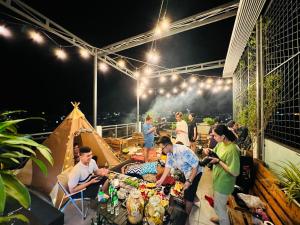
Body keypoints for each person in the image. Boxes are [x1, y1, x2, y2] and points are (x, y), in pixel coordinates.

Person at [156, 136, 203, 219]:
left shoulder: (182, 150)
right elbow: (168, 167)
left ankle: (185, 217)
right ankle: (191, 199)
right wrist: (161, 180)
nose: (161, 150)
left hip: (195, 173)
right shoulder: (170, 153)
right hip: (186, 172)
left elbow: (195, 166)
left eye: (162, 148)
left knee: (189, 195)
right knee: (187, 191)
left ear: (167, 145)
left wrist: (189, 181)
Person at [203, 125, 240, 225]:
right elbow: (214, 152)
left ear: (223, 136)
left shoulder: (232, 149)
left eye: (214, 135)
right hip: (218, 179)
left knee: (219, 207)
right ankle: (221, 218)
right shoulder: (221, 144)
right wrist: (208, 151)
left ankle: (223, 221)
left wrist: (219, 161)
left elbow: (235, 172)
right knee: (219, 205)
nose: (213, 138)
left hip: (224, 183)